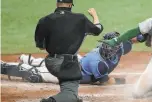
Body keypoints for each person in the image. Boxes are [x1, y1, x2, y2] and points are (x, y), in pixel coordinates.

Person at [34, 0, 103, 102]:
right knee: (71, 92)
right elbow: (98, 29)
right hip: (66, 63)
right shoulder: (80, 19)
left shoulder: (45, 20)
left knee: (69, 69)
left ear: (57, 4)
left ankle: (68, 92)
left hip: (50, 62)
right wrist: (95, 15)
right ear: (71, 5)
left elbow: (41, 45)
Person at [1, 32, 132, 85]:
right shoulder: (98, 63)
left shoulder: (120, 48)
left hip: (78, 61)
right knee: (35, 74)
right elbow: (105, 81)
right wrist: (122, 81)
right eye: (107, 46)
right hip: (69, 71)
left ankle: (30, 60)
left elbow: (133, 40)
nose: (109, 48)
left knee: (54, 61)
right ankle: (4, 67)